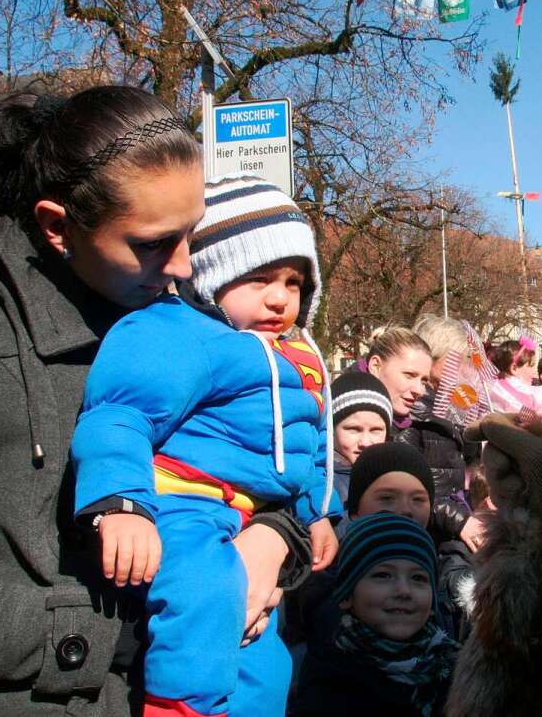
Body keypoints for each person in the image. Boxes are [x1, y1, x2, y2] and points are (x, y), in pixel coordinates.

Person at [0, 88, 304, 716]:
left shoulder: (198, 322)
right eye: (151, 244)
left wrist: (277, 540)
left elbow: (261, 455)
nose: (182, 267)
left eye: (191, 234)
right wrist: (118, 633)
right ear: (57, 225)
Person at [71, 173, 342, 717]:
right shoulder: (177, 332)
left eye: (294, 282)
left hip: (256, 513)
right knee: (203, 592)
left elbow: (311, 442)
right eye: (259, 277)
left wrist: (318, 511)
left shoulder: (301, 357)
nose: (279, 297)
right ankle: (177, 707)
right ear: (213, 273)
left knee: (264, 655)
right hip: (182, 500)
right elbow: (120, 414)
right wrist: (121, 503)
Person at [292, 513, 459, 717]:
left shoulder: (461, 669)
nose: (403, 591)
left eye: (418, 578)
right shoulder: (329, 678)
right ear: (347, 594)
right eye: (383, 575)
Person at [406, 314, 484, 551]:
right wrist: (460, 521)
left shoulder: (453, 404)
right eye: (456, 360)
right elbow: (412, 490)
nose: (463, 369)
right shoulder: (414, 411)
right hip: (427, 538)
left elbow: (465, 467)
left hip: (450, 530)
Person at [329, 371, 394, 518]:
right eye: (353, 429)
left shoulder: (394, 477)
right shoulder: (321, 485)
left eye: (376, 430)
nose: (365, 442)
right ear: (331, 429)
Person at [359, 327, 433, 434]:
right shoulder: (336, 420)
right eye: (409, 375)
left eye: (424, 381)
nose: (419, 391)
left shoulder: (414, 431)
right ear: (376, 366)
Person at [486, 338, 542, 428]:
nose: (533, 372)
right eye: (530, 366)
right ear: (514, 368)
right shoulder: (505, 394)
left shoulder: (493, 388)